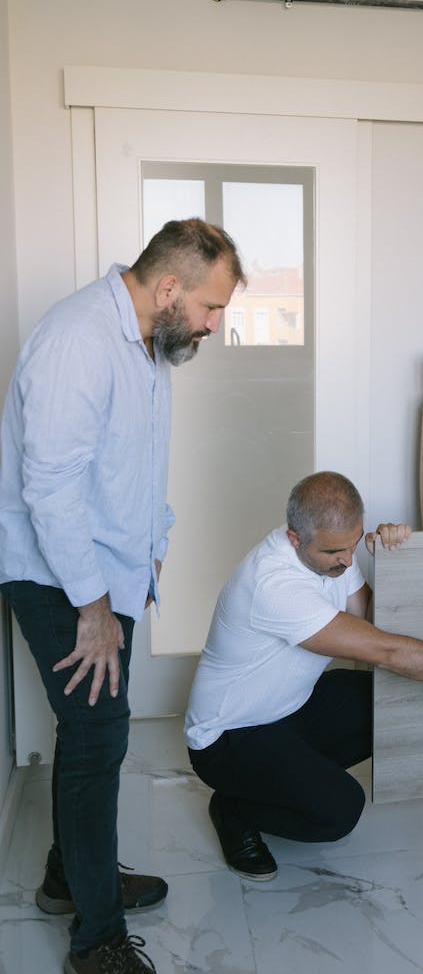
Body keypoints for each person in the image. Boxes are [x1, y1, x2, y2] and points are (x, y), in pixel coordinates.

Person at [0, 219, 245, 974]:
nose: (212, 326)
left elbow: (136, 463)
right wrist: (95, 608)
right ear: (169, 288)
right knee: (100, 742)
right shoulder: (78, 339)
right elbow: (51, 489)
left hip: (110, 571)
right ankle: (96, 941)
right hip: (61, 580)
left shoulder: (149, 345)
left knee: (89, 736)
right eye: (211, 308)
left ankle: (72, 878)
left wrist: (155, 546)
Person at [185, 471, 423, 882]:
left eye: (354, 545)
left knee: (387, 705)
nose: (348, 562)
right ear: (295, 539)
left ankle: (286, 777)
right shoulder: (274, 584)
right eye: (336, 552)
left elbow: (368, 616)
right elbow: (385, 650)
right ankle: (234, 807)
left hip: (290, 708)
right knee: (339, 810)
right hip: (230, 738)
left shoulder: (334, 551)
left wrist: (391, 558)